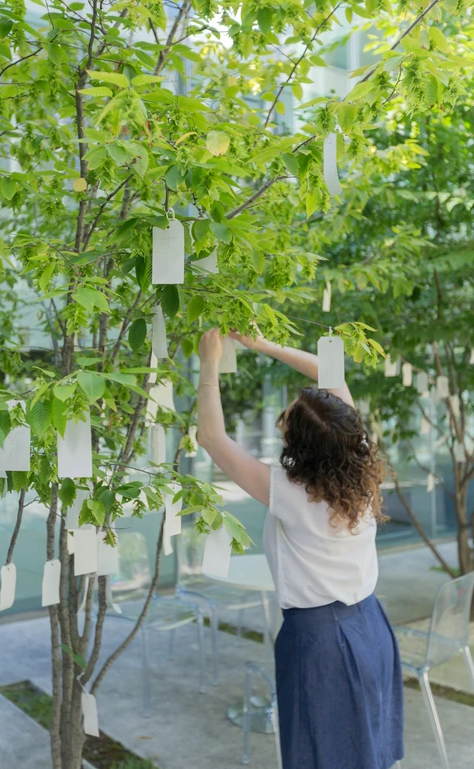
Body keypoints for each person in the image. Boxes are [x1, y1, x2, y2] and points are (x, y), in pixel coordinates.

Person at [196, 327, 404, 769]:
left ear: (299, 447)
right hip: (370, 624)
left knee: (319, 755)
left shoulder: (290, 491)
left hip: (319, 639)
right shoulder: (359, 459)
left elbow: (212, 438)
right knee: (366, 752)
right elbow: (329, 371)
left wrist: (209, 362)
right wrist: (262, 344)